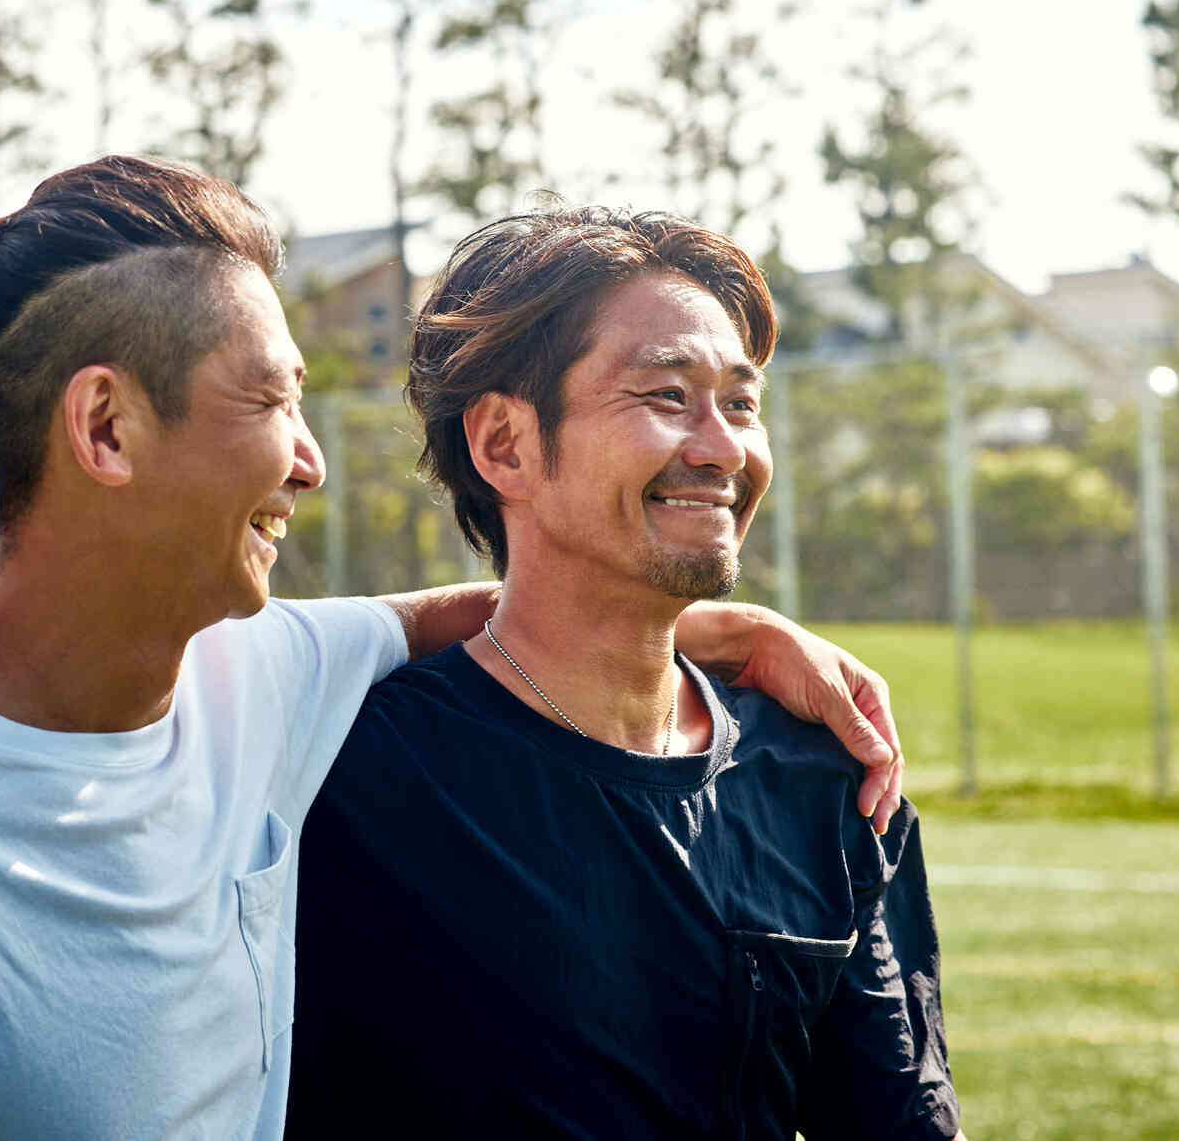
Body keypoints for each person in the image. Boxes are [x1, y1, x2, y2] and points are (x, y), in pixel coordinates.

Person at [0, 156, 905, 1141]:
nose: (311, 460)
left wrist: (715, 624)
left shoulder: (263, 677)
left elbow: (495, 609)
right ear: (107, 430)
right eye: (269, 400)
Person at [286, 209, 961, 1137]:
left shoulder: (827, 773)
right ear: (504, 446)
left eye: (741, 403)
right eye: (666, 397)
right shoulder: (343, 775)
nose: (723, 447)